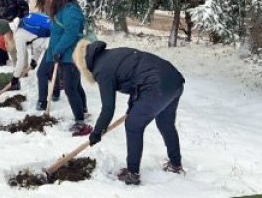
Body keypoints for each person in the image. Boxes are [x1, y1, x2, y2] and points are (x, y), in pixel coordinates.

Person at [75, 40, 186, 186]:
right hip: (174, 80)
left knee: (133, 125)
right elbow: (136, 81)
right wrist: (131, 108)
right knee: (165, 124)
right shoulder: (112, 54)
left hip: (156, 85)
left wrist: (97, 132)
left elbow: (108, 108)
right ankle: (175, 164)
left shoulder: (102, 70)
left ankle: (132, 174)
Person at [36, 0, 91, 136]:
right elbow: (58, 32)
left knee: (70, 87)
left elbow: (71, 33)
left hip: (70, 56)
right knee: (73, 85)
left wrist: (58, 50)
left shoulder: (70, 10)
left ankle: (80, 121)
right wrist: (53, 51)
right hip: (57, 53)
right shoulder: (59, 9)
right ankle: (84, 111)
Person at [10, 7, 52, 91]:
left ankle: (44, 101)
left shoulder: (18, 35)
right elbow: (37, 41)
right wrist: (34, 60)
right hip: (54, 40)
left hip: (52, 45)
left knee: (42, 73)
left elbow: (21, 59)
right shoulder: (25, 22)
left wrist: (15, 76)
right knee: (49, 71)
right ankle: (56, 93)